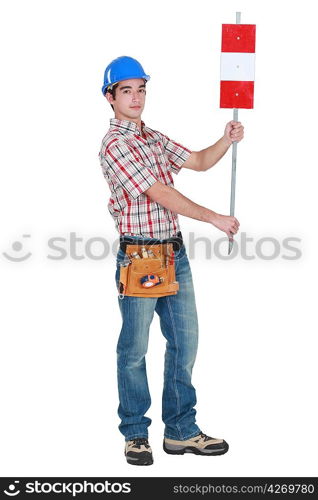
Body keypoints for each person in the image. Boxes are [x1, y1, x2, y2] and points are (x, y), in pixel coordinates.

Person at [99, 56, 243, 466]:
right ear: (110, 97)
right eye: (126, 90)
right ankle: (135, 434)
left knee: (184, 343)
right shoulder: (115, 145)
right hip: (140, 256)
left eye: (141, 89)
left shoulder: (152, 137)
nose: (136, 97)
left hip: (173, 253)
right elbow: (159, 191)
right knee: (134, 348)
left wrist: (225, 139)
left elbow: (197, 160)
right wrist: (214, 217)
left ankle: (181, 431)